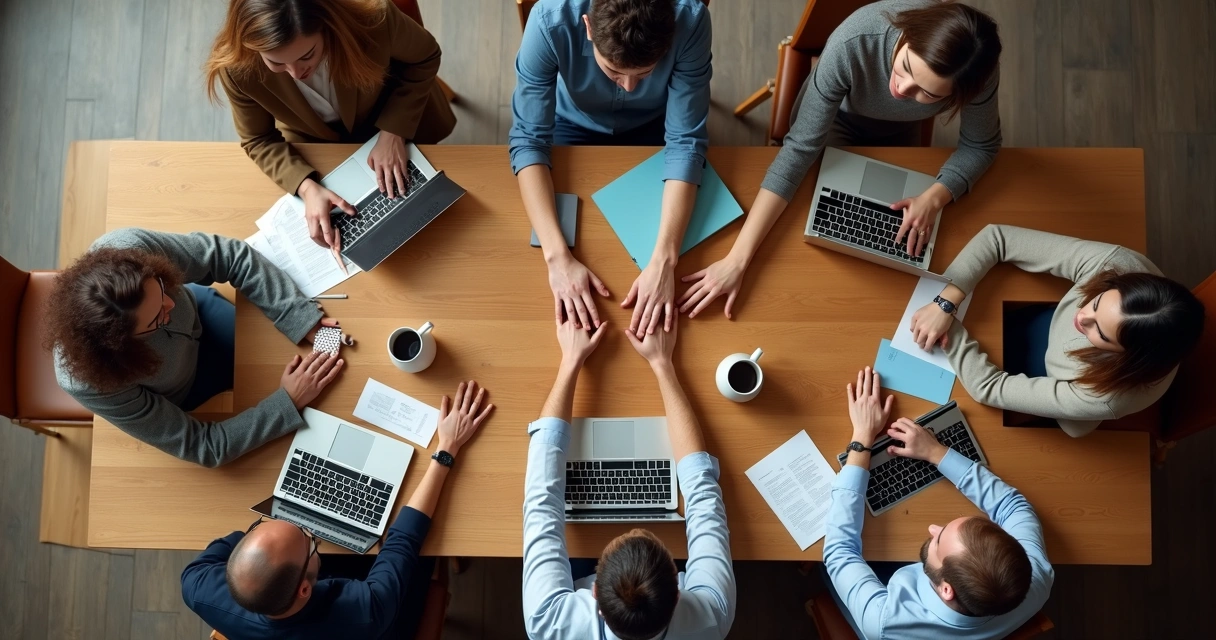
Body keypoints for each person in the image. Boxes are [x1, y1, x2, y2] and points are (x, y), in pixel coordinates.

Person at [679, 0, 1001, 320]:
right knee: (818, 216)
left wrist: (934, 197)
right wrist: (736, 260)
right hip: (838, 118)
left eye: (928, 94)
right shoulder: (854, 42)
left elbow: (981, 146)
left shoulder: (976, 69)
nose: (901, 90)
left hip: (900, 131)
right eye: (905, 67)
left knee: (883, 238)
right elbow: (799, 149)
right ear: (908, 35)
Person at [182, 381, 495, 639]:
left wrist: (280, 542)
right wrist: (447, 448)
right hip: (383, 625)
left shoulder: (196, 585)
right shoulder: (364, 611)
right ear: (305, 588)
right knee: (425, 553)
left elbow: (221, 558)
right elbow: (404, 541)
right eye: (309, 539)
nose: (309, 528)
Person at [46, 228, 347, 467]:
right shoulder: (90, 382)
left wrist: (298, 317)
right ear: (120, 343)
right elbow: (204, 446)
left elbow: (230, 256)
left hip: (204, 316)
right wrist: (287, 403)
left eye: (162, 289)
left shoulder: (127, 250)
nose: (172, 303)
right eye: (156, 319)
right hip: (189, 387)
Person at [521, 318, 735, 639]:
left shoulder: (550, 621)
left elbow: (541, 503)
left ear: (595, 594)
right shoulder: (710, 614)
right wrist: (662, 363)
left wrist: (570, 362)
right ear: (677, 592)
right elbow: (704, 496)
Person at [509, 0, 712, 338]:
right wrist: (557, 259)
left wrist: (664, 261)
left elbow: (685, 143)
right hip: (570, 123)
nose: (630, 88)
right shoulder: (548, 19)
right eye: (614, 72)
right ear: (589, 27)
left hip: (657, 124)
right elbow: (529, 140)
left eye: (645, 74)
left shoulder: (690, 20)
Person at [205, 0, 457, 253]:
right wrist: (306, 187)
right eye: (276, 63)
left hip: (397, 115)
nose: (295, 73)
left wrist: (393, 132)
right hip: (314, 140)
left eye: (307, 55)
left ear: (327, 24)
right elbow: (258, 139)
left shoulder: (375, 20)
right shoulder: (237, 70)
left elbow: (425, 57)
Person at [907, 224, 1206, 437]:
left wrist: (952, 331)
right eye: (1097, 301)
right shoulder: (1119, 265)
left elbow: (988, 389)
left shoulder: (1106, 397)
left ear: (1129, 357)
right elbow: (997, 238)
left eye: (1101, 333)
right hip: (1042, 334)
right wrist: (946, 302)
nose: (1081, 316)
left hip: (1067, 396)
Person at [825, 366, 1054, 639]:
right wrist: (936, 451)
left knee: (824, 569)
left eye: (938, 541)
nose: (933, 528)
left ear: (947, 589)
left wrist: (862, 438)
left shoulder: (885, 622)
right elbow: (1013, 507)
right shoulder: (1036, 578)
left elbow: (840, 551)